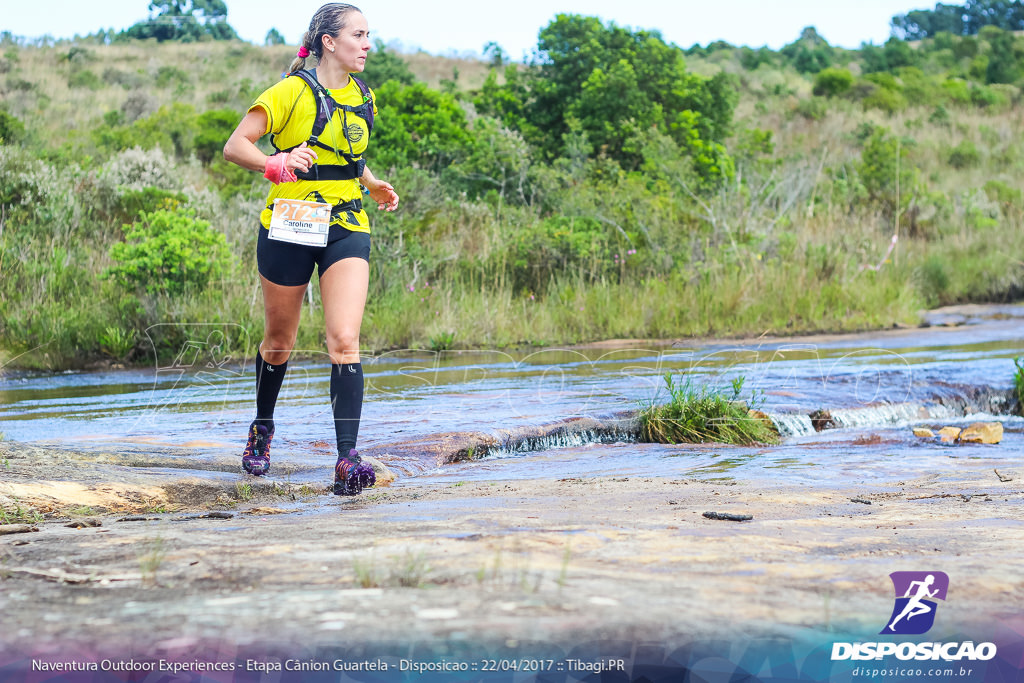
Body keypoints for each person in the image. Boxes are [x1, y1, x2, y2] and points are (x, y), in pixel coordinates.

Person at [223, 3, 398, 495]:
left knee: (344, 339)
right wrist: (274, 164)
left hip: (346, 222)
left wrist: (371, 181)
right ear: (328, 41)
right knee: (279, 341)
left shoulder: (364, 95)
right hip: (291, 224)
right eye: (359, 35)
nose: (367, 44)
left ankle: (347, 459)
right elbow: (236, 146)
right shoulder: (290, 91)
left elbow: (344, 153)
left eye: (369, 35)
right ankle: (262, 427)